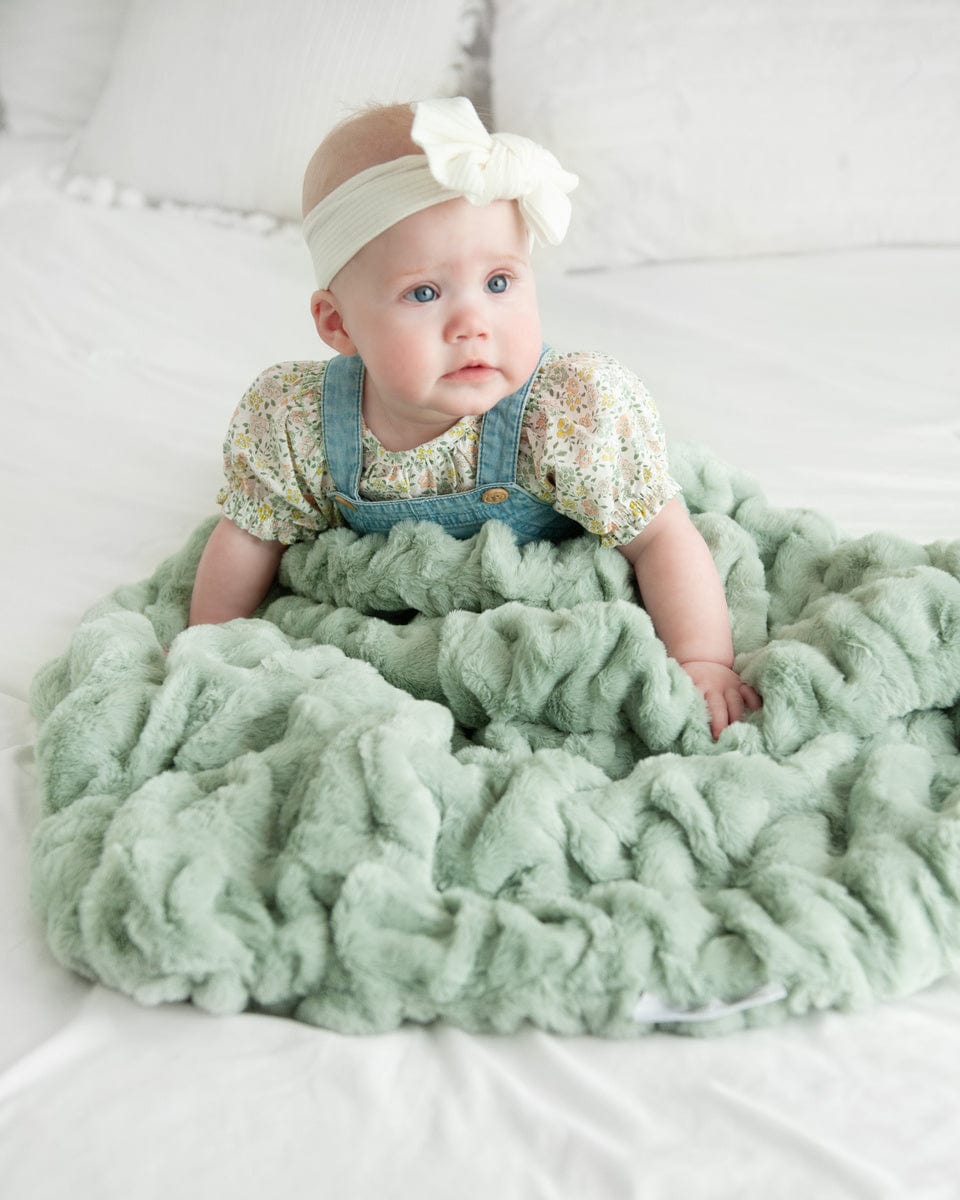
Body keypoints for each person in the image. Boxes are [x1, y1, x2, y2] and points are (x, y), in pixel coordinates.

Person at [188, 96, 761, 737]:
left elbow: (661, 537)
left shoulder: (568, 414)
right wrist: (204, 644)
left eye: (498, 282)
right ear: (338, 323)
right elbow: (249, 535)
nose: (473, 325)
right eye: (424, 293)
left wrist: (703, 660)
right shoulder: (299, 424)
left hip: (533, 645)